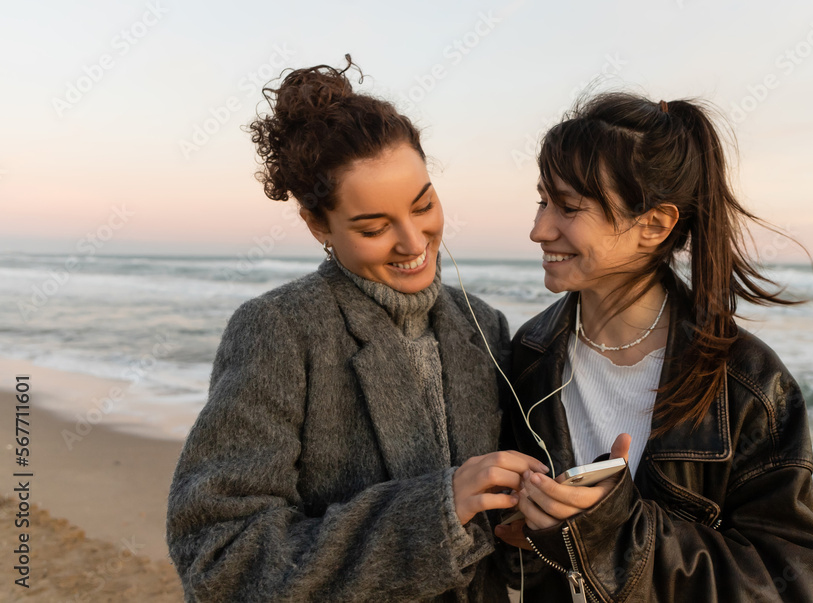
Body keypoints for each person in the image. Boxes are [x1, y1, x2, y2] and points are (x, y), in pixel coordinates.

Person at [165, 57, 546, 602]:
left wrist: (544, 523)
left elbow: (506, 553)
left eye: (424, 206)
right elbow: (219, 558)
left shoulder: (483, 325)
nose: (414, 243)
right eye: (373, 227)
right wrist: (438, 512)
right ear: (318, 225)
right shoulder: (280, 330)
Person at [493, 93, 813, 601]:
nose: (538, 229)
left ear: (653, 225)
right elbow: (520, 565)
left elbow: (794, 585)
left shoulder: (747, 382)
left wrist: (616, 532)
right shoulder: (530, 355)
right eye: (543, 200)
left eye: (568, 207)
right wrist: (516, 531)